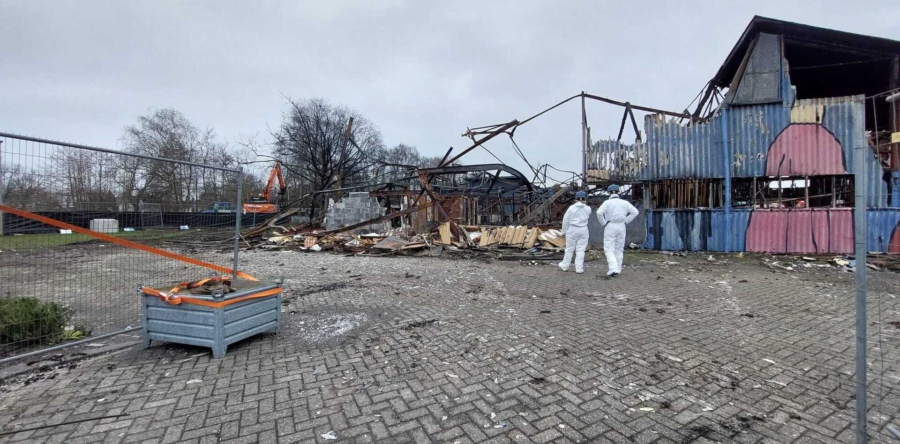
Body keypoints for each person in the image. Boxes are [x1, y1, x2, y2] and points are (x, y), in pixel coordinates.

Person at [596, 184, 639, 276]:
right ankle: (618, 269)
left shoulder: (607, 203)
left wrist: (604, 223)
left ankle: (613, 268)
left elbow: (599, 212)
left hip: (610, 225)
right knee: (619, 249)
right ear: (618, 192)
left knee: (609, 249)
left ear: (609, 193)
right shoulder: (625, 202)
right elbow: (635, 212)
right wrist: (626, 221)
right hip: (621, 226)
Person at [558, 190, 592, 274]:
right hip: (584, 229)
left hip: (572, 229)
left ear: (576, 199)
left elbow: (566, 220)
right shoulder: (588, 209)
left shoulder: (571, 208)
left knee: (569, 249)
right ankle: (579, 268)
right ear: (585, 199)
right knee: (581, 250)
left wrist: (563, 232)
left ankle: (565, 266)